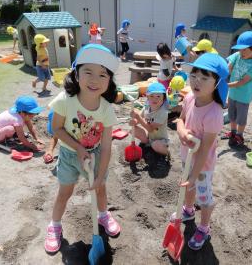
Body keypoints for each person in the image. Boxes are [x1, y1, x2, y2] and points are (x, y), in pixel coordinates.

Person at [44, 44, 121, 253]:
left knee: (100, 188)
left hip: (95, 155)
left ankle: (103, 215)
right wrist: (77, 147)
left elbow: (106, 147)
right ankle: (55, 225)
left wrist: (100, 175)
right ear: (76, 74)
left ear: (109, 80)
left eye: (102, 74)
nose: (95, 80)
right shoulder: (64, 101)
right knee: (65, 192)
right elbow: (56, 128)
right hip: (70, 154)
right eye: (88, 72)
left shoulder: (106, 109)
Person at [172, 53, 229, 250]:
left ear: (218, 83)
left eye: (205, 78)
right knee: (188, 187)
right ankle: (188, 210)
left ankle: (204, 227)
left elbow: (205, 148)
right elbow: (180, 119)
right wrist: (181, 132)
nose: (197, 81)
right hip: (186, 157)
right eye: (194, 75)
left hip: (202, 165)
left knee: (204, 198)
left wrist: (195, 175)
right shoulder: (189, 97)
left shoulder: (214, 113)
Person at [224, 31, 252, 146]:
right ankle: (232, 133)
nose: (242, 52)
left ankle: (239, 135)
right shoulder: (237, 55)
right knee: (232, 115)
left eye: (245, 50)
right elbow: (229, 67)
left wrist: (226, 85)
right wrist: (223, 75)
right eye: (240, 49)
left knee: (241, 119)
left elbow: (242, 82)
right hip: (232, 94)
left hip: (243, 96)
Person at [129, 82, 169, 156]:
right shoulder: (147, 107)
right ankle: (147, 143)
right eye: (152, 96)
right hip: (149, 138)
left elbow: (150, 129)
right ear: (147, 97)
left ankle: (165, 153)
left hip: (160, 140)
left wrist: (137, 117)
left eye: (158, 96)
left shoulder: (163, 113)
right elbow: (138, 120)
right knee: (133, 129)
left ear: (163, 98)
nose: (155, 99)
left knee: (157, 145)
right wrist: (134, 121)